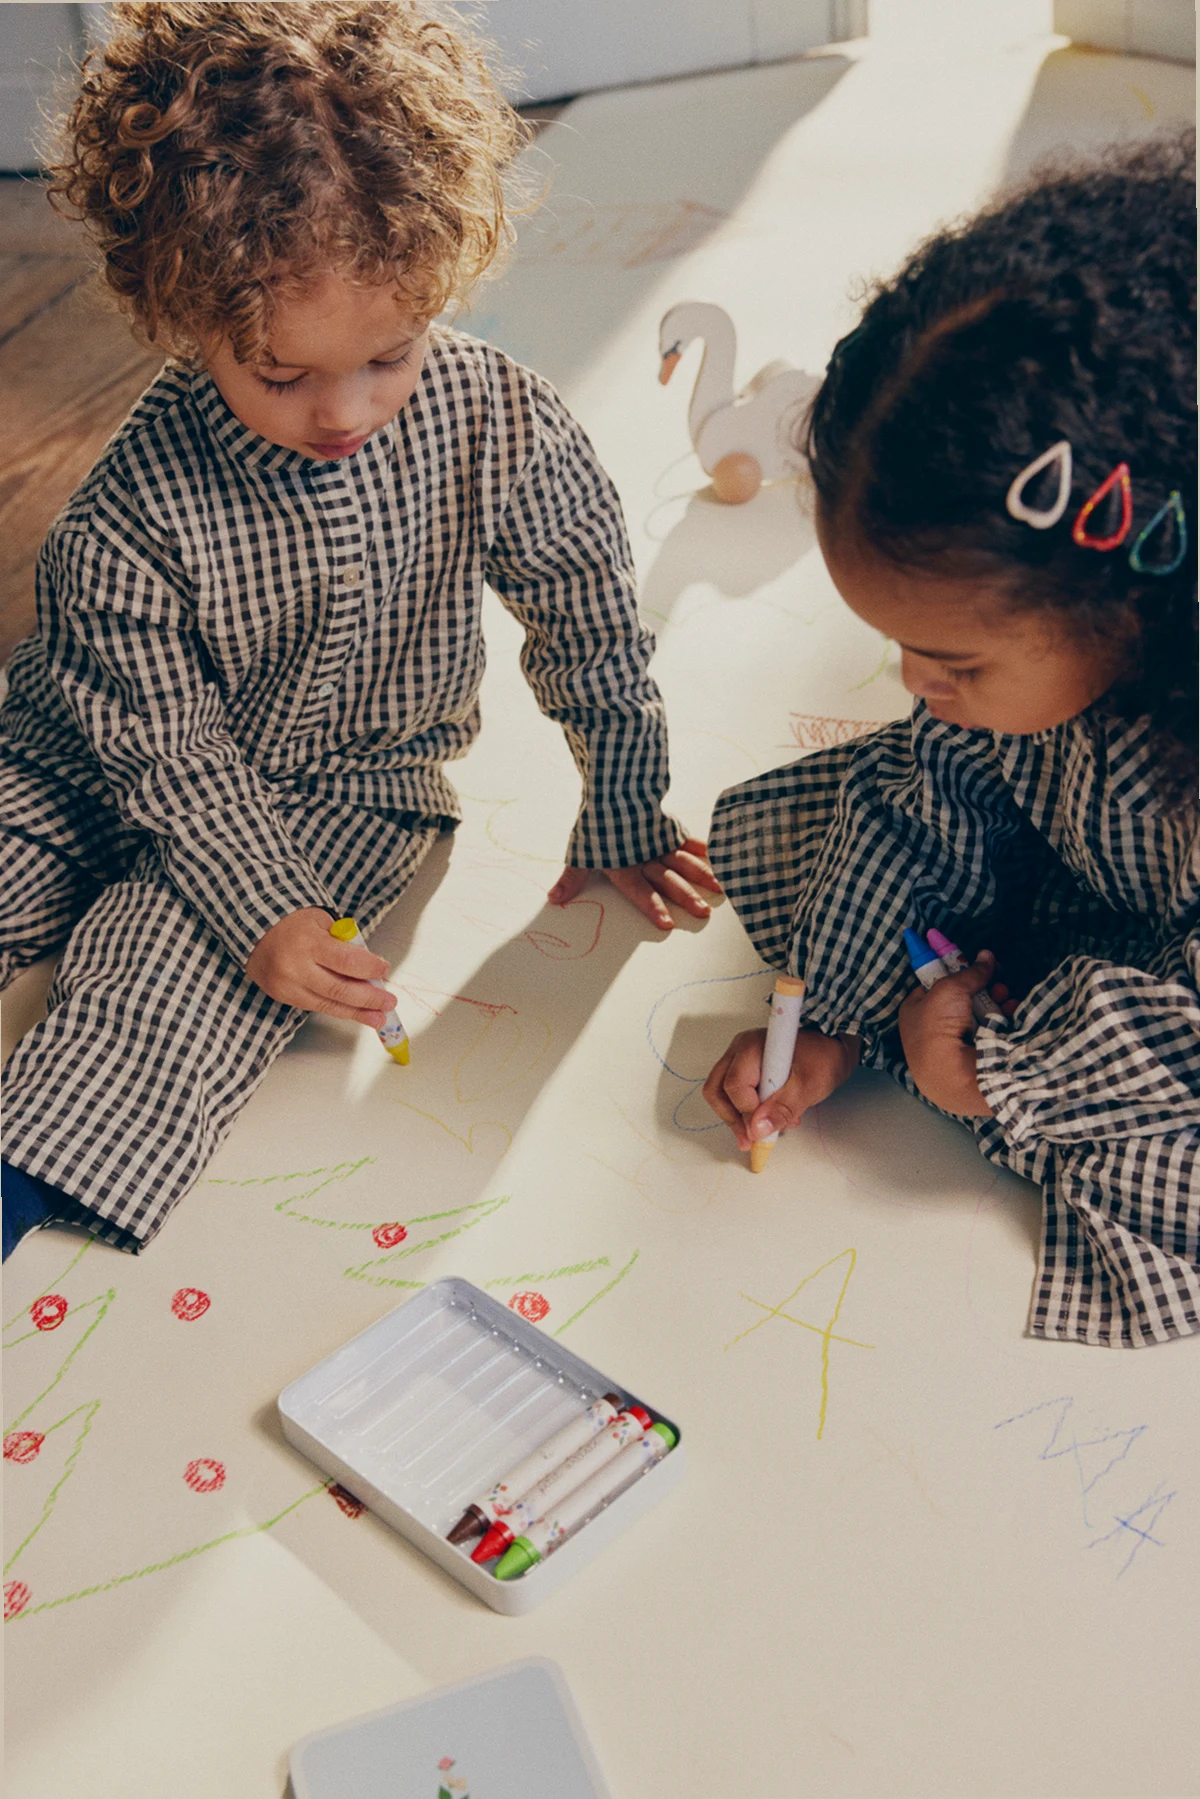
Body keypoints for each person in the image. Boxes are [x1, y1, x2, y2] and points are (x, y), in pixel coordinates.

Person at [0, 0, 718, 1260]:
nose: (343, 412)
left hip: (339, 785)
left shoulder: (498, 422)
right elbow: (165, 754)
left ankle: (21, 1185)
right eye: (281, 375)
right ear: (184, 314)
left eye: (389, 355)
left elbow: (590, 616)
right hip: (77, 757)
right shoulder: (127, 516)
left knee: (161, 968)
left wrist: (624, 797)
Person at [703, 134, 1198, 1349]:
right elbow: (921, 797)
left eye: (956, 663)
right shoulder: (1022, 669)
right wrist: (834, 1019)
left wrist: (998, 1069)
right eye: (900, 647)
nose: (916, 685)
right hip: (1118, 901)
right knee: (851, 816)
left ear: (1126, 603)